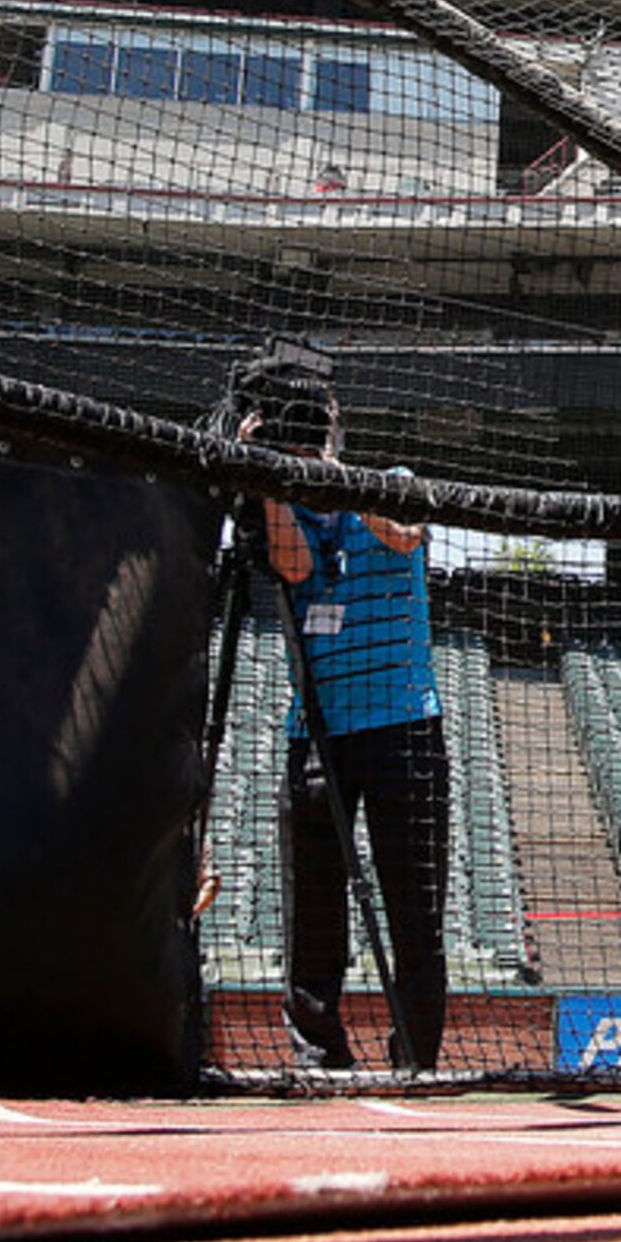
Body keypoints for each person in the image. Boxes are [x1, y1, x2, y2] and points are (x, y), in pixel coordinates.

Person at [245, 379, 449, 1075]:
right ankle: (317, 1055)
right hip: (319, 730)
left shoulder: (389, 483)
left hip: (404, 723)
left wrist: (338, 477)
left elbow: (404, 535)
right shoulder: (282, 502)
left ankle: (414, 1059)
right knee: (314, 909)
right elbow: (294, 564)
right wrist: (267, 479)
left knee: (414, 906)